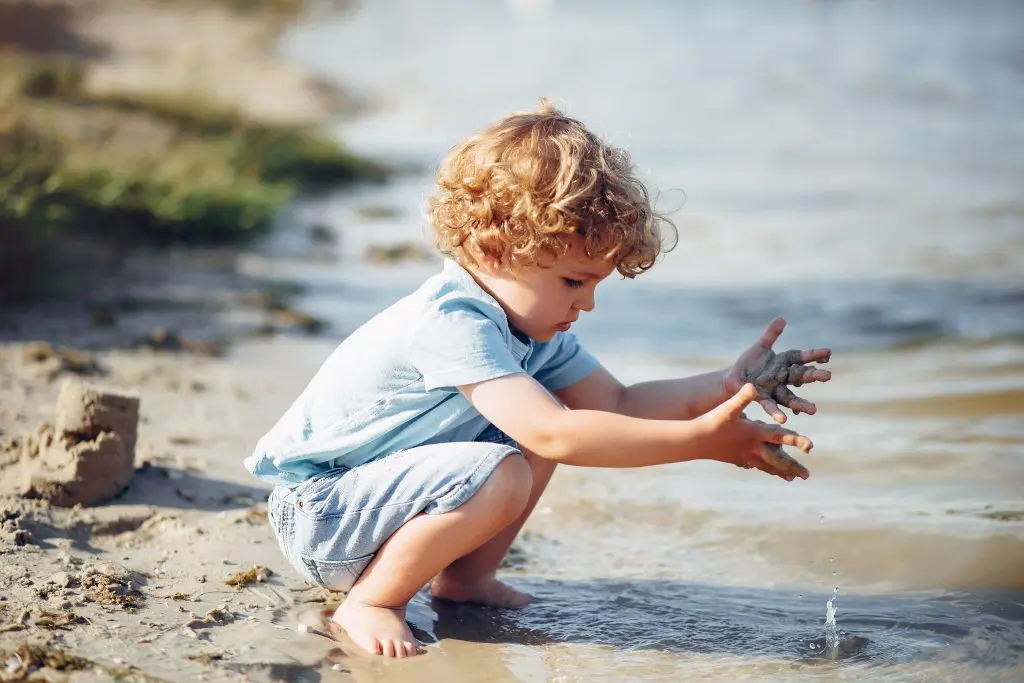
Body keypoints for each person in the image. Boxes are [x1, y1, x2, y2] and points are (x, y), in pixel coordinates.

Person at [245, 100, 832, 658]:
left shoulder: (532, 333)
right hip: (323, 515)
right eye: (574, 282)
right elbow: (556, 435)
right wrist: (699, 442)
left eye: (596, 285)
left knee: (541, 419)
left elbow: (618, 402)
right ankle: (372, 601)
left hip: (376, 508)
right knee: (517, 455)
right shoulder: (451, 322)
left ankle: (464, 581)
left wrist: (728, 384)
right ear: (495, 250)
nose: (588, 303)